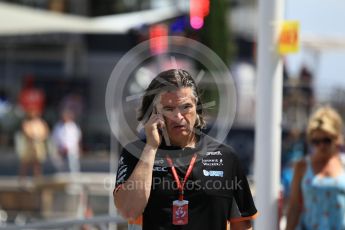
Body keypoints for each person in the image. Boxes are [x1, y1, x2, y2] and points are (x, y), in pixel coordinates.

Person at [113, 69, 257, 230]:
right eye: (169, 108)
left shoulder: (226, 157)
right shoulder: (136, 152)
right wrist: (151, 147)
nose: (178, 116)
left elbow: (242, 226)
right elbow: (128, 210)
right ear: (154, 113)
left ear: (197, 109)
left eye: (186, 107)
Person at [286, 106, 345, 230]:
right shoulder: (301, 166)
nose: (321, 145)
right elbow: (294, 207)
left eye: (326, 140)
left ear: (337, 138)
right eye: (316, 141)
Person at [17, 109, 49, 179]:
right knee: (25, 162)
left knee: (37, 162)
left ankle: (38, 178)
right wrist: (33, 137)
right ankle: (22, 178)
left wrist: (39, 137)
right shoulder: (26, 123)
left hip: (39, 144)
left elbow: (45, 132)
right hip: (29, 145)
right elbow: (26, 132)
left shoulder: (41, 122)